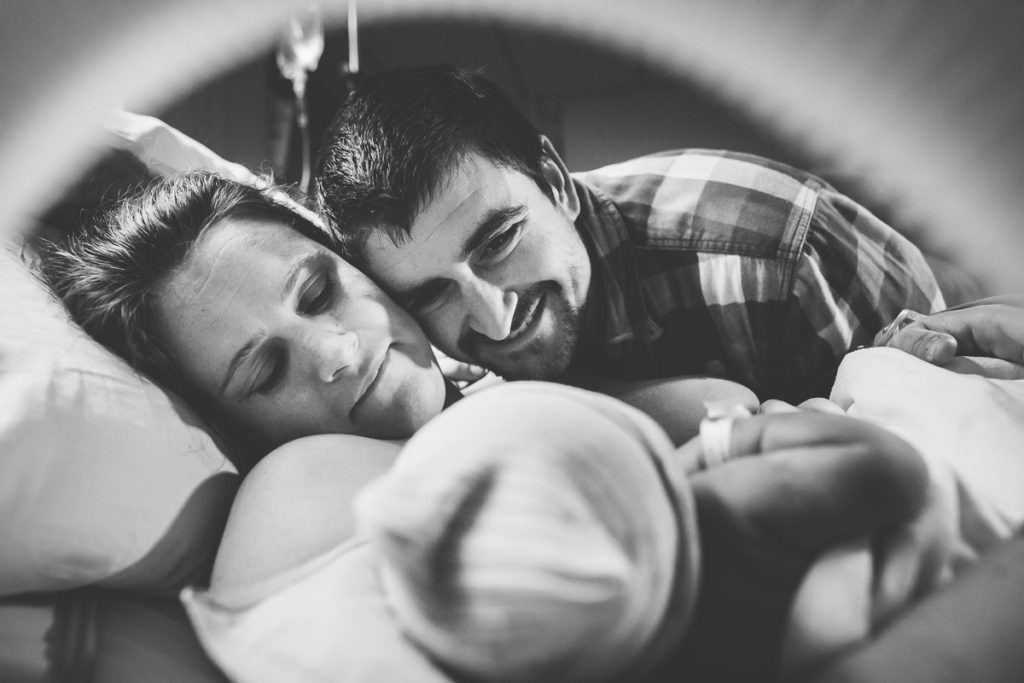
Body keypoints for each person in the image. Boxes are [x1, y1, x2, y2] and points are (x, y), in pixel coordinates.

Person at [314, 64, 945, 403]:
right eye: (431, 295)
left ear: (555, 182)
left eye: (499, 241)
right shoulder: (424, 359)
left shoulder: (777, 252)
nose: (495, 319)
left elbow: (962, 460)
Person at [40, 171, 453, 462]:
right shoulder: (285, 502)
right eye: (268, 372)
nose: (334, 352)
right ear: (237, 430)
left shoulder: (495, 352)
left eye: (317, 293)